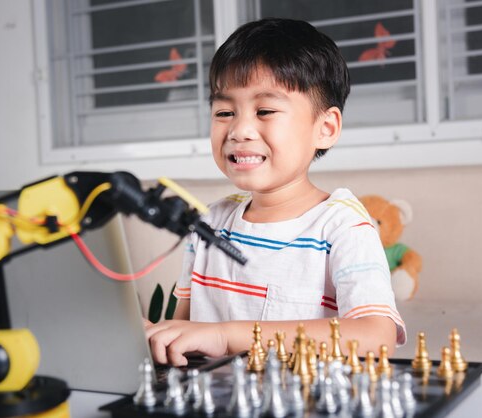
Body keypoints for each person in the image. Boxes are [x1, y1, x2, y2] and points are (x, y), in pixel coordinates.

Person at [146, 18, 405, 366]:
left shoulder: (342, 225)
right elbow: (185, 331)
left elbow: (376, 336)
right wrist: (156, 337)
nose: (239, 129)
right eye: (224, 111)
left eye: (264, 110)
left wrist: (227, 336)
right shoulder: (208, 223)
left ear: (325, 129)